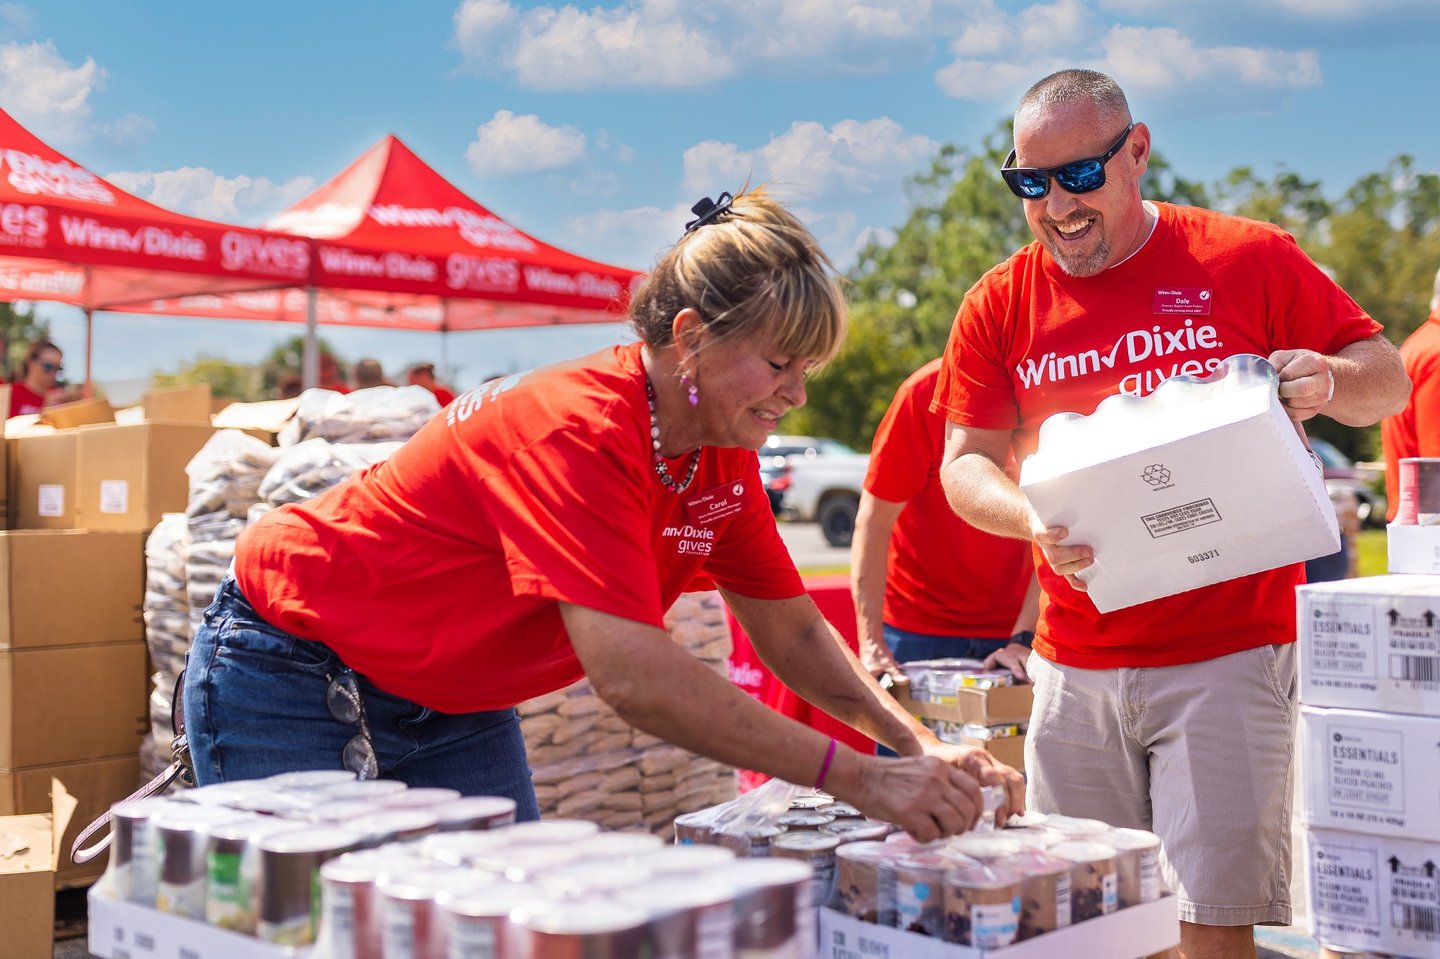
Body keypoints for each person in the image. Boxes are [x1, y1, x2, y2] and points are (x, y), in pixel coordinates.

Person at [183, 187, 1024, 841]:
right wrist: (861, 777)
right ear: (691, 336)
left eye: (810, 366)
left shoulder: (717, 455)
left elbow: (793, 631)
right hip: (294, 662)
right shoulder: (578, 429)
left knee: (494, 927)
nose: (799, 394)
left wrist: (913, 743)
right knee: (315, 935)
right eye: (779, 363)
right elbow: (632, 675)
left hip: (445, 699)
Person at [934, 70, 1409, 958]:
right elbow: (962, 466)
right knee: (1091, 932)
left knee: (1210, 932)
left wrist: (1333, 379)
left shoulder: (1246, 255)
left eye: (1079, 176)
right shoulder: (998, 301)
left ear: (1138, 151)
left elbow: (1385, 375)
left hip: (1227, 657)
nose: (1057, 207)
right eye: (1030, 184)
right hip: (1075, 668)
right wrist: (1030, 516)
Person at [852, 358, 1038, 695]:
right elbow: (873, 521)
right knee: (914, 748)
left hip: (1015, 630)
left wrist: (1024, 636)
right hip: (915, 629)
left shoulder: (1050, 383)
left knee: (1010, 749)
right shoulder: (923, 392)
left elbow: (1062, 527)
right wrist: (871, 642)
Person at [1381, 266, 1440, 520]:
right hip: (1429, 526)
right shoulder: (1436, 352)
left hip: (1420, 526)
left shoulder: (1424, 342)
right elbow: (1435, 463)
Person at [8, 339, 65, 417]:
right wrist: (44, 411)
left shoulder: (56, 395)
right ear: (31, 363)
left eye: (58, 368)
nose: (53, 373)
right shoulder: (11, 393)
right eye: (48, 366)